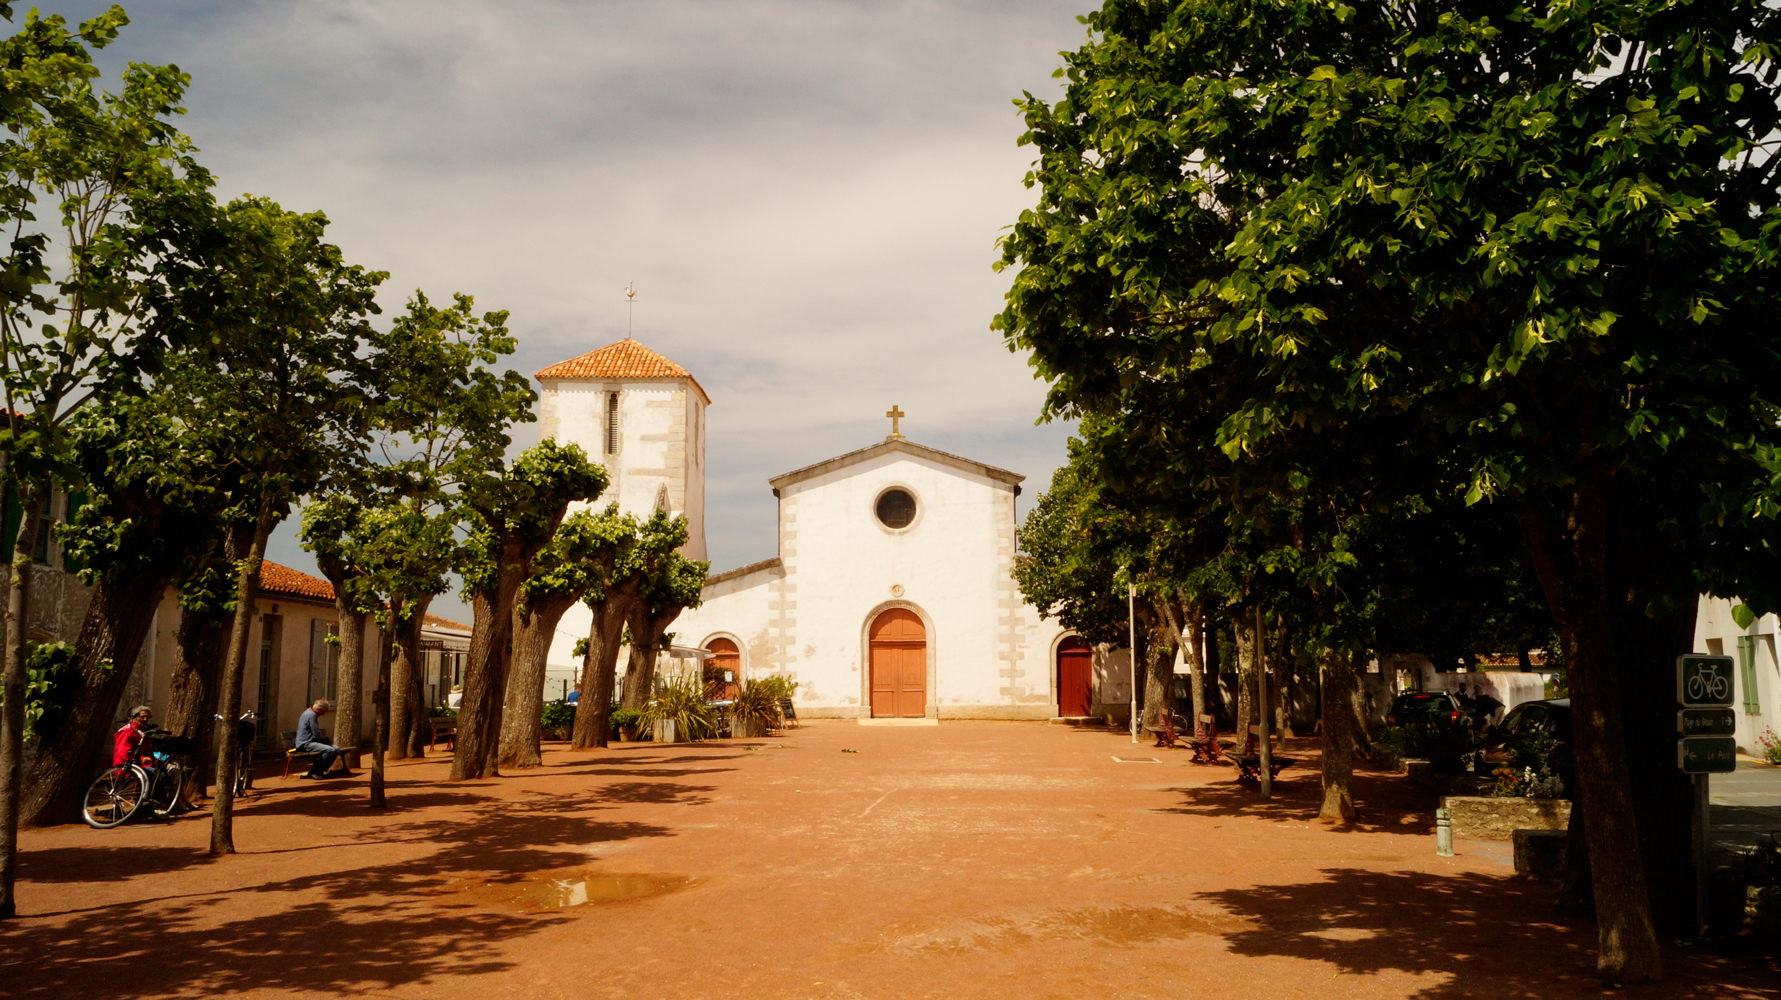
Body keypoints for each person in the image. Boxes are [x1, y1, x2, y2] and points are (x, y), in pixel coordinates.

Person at [295, 699, 348, 779]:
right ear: (320, 709)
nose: (323, 714)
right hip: (305, 743)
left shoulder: (309, 713)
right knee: (331, 750)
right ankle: (315, 771)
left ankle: (319, 770)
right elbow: (316, 732)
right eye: (324, 711)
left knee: (336, 748)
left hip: (310, 742)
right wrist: (324, 739)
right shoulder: (311, 715)